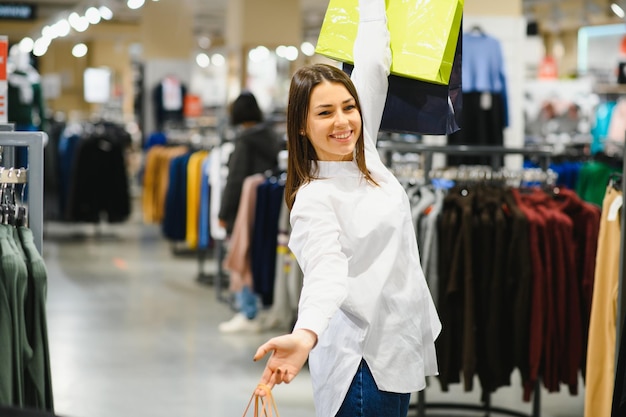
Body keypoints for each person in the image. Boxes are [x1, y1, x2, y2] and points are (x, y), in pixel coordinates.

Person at [252, 1, 441, 416]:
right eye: (324, 113)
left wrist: (370, 6)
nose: (343, 121)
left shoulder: (364, 154)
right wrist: (305, 334)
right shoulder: (314, 198)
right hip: (360, 365)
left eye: (348, 107)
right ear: (301, 125)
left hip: (394, 350)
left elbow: (372, 65)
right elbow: (326, 273)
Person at [217, 91, 281, 333]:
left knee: (242, 256)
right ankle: (261, 310)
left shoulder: (245, 141)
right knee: (258, 256)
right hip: (265, 204)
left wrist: (224, 213)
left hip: (244, 208)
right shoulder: (269, 136)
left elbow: (235, 180)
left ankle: (247, 312)